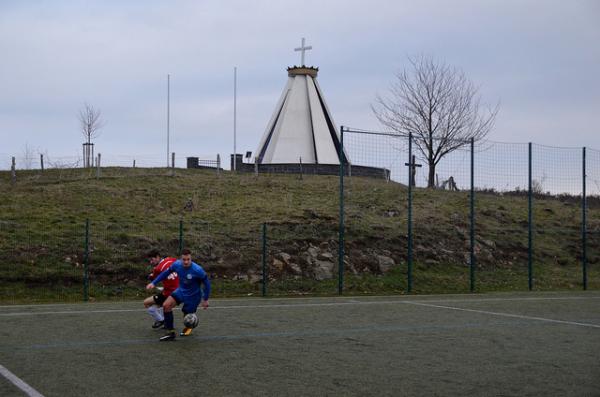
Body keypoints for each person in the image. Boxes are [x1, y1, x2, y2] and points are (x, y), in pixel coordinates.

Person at [146, 248, 210, 341]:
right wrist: (154, 283)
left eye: (188, 259)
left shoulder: (197, 270)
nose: (186, 262)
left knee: (187, 318)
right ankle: (170, 333)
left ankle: (189, 327)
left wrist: (205, 299)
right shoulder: (176, 265)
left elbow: (207, 284)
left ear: (191, 259)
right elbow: (166, 273)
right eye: (184, 259)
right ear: (181, 259)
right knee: (166, 305)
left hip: (193, 295)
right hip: (180, 291)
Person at [143, 249, 179, 329]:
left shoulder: (157, 269)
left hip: (168, 293)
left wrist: (150, 276)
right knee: (160, 306)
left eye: (152, 260)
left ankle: (161, 320)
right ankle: (165, 322)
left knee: (146, 303)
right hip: (178, 291)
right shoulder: (170, 259)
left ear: (158, 257)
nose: (151, 262)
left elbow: (154, 278)